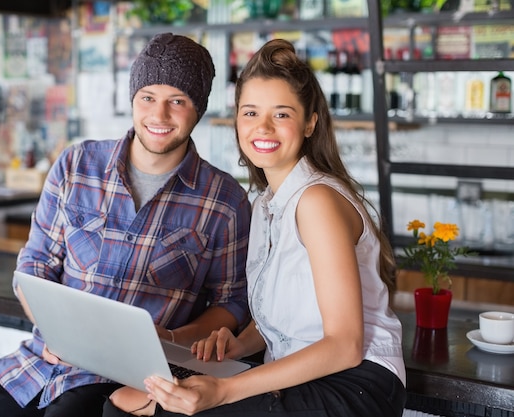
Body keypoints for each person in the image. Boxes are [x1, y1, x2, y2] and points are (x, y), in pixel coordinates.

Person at [0, 33, 251, 417]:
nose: (159, 116)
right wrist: (55, 331)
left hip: (126, 381)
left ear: (198, 109)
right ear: (133, 100)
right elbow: (35, 264)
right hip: (42, 362)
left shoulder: (225, 201)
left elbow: (232, 302)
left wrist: (172, 339)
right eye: (148, 98)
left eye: (177, 101)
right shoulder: (77, 165)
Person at [103, 38, 407, 417]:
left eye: (281, 114)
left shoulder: (317, 201)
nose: (262, 127)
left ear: (310, 122)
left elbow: (344, 344)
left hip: (354, 383)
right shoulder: (264, 205)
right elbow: (287, 322)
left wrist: (225, 390)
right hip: (299, 374)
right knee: (127, 398)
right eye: (250, 113)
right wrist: (238, 344)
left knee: (145, 407)